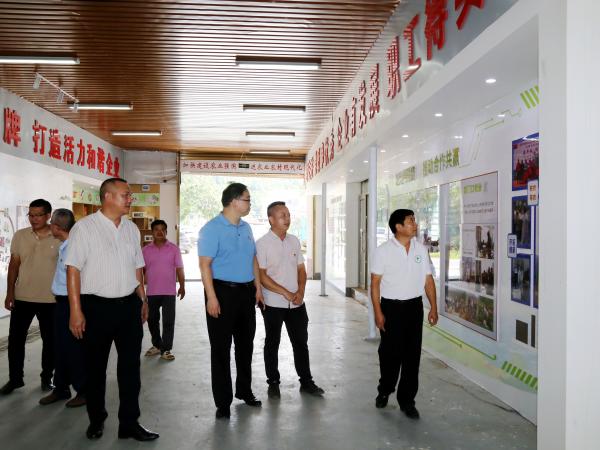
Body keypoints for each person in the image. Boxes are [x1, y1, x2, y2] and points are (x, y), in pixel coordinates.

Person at [65, 178, 158, 442]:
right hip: (96, 308)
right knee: (95, 369)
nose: (130, 199)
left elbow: (137, 267)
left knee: (130, 369)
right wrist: (75, 311)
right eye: (125, 195)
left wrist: (143, 299)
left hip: (129, 307)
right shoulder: (84, 228)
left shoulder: (131, 229)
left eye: (129, 195)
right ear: (107, 196)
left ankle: (129, 423)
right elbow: (73, 269)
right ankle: (96, 419)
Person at [198, 182, 264, 419]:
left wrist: (258, 288)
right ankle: (223, 402)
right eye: (247, 199)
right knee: (221, 349)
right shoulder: (211, 229)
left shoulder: (246, 227)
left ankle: (244, 390)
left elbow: (253, 259)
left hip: (246, 293)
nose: (249, 203)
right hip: (222, 293)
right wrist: (211, 297)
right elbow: (204, 265)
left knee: (246, 346)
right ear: (234, 201)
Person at [370, 209, 438, 420]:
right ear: (398, 227)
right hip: (391, 308)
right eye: (410, 221)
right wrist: (378, 312)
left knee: (412, 356)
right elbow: (375, 284)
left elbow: (428, 280)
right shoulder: (383, 251)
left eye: (414, 220)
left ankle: (407, 400)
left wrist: (434, 307)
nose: (414, 224)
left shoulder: (421, 249)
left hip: (414, 308)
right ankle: (385, 389)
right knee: (389, 354)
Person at [255, 201, 324, 399]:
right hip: (272, 303)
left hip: (296, 303)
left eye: (288, 215)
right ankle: (273, 382)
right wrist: (285, 292)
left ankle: (306, 381)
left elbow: (301, 269)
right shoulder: (262, 244)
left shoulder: (294, 240)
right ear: (271, 219)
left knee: (301, 342)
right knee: (272, 342)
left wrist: (301, 291)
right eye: (282, 215)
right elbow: (262, 276)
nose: (287, 219)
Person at [1, 199, 59, 395]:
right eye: (31, 215)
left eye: (38, 215)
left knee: (50, 342)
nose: (33, 219)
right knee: (15, 341)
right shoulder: (20, 235)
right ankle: (15, 379)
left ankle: (46, 378)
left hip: (50, 299)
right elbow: (14, 265)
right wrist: (10, 292)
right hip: (22, 297)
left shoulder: (58, 236)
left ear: (48, 215)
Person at [39, 209, 86, 407]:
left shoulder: (73, 248)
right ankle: (61, 388)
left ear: (57, 227)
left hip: (70, 304)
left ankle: (83, 391)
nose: (49, 226)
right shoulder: (65, 245)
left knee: (74, 349)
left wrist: (75, 310)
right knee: (60, 347)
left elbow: (75, 280)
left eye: (51, 223)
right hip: (61, 303)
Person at [142, 219, 185, 361]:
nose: (159, 232)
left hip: (169, 292)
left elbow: (179, 268)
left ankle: (166, 349)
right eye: (156, 229)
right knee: (152, 320)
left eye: (162, 229)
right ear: (152, 232)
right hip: (152, 292)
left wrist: (182, 286)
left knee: (168, 322)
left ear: (166, 232)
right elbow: (141, 270)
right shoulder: (145, 250)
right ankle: (157, 345)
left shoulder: (174, 249)